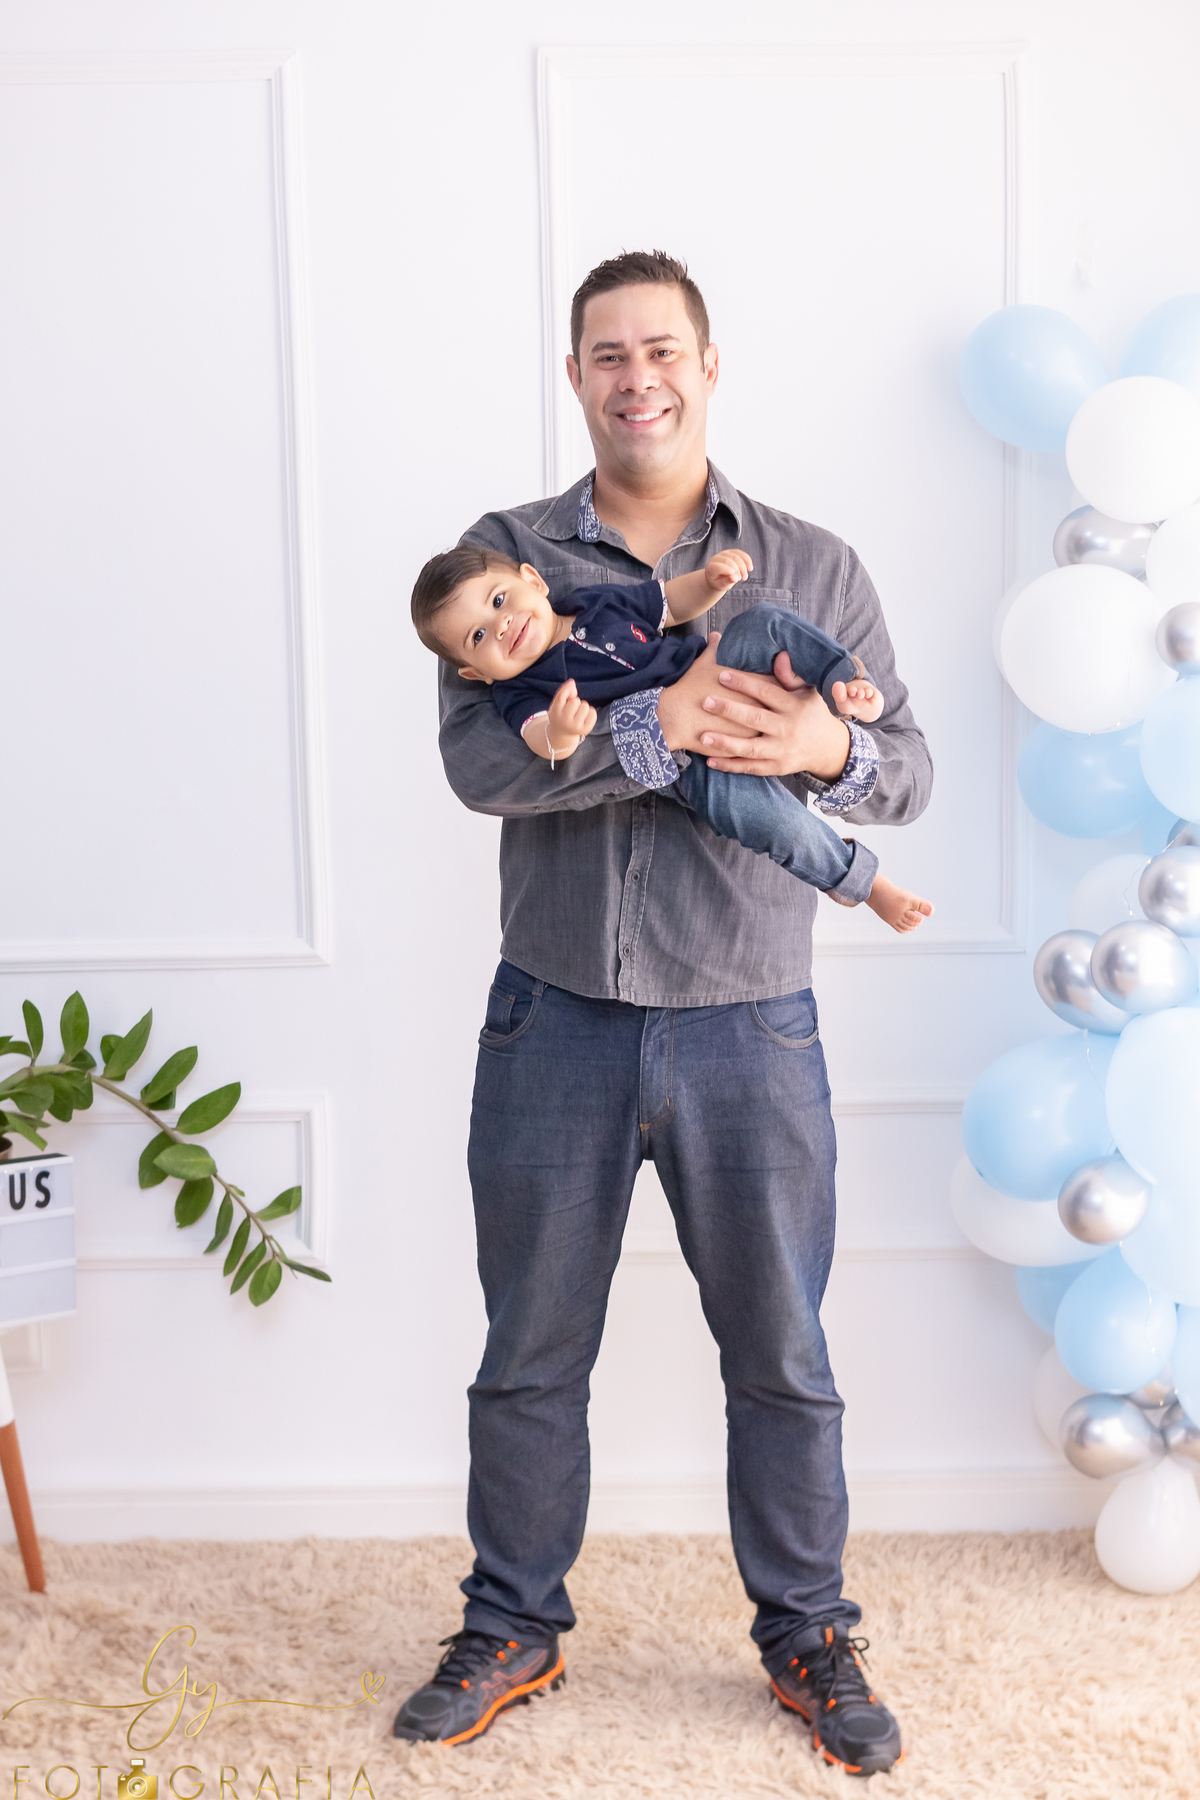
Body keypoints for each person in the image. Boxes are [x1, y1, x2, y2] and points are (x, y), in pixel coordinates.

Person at [393, 251, 932, 1777]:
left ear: (708, 363)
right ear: (576, 377)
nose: (639, 379)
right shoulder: (501, 561)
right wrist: (656, 722)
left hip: (750, 1023)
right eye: (608, 355)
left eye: (663, 350)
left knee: (782, 1355)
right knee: (529, 1349)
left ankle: (807, 1630)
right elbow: (482, 769)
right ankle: (512, 1623)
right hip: (552, 1016)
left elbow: (910, 771)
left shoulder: (811, 561)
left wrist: (823, 751)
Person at [409, 543, 933, 932]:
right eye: (478, 636)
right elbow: (540, 740)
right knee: (771, 820)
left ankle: (843, 680)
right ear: (475, 673)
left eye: (499, 600)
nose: (501, 626)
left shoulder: (593, 602)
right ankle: (861, 882)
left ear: (533, 580)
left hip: (719, 666)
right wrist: (562, 732)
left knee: (764, 622)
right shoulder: (520, 690)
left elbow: (669, 604)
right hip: (688, 765)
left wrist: (710, 581)